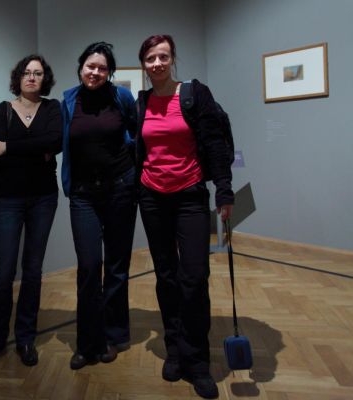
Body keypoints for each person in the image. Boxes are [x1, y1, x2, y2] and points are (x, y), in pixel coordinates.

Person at [135, 34, 234, 399]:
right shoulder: (141, 102)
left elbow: (214, 142)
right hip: (152, 197)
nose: (157, 63)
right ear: (144, 64)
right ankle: (174, 350)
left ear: (172, 58)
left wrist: (223, 189)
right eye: (150, 58)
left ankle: (197, 361)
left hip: (190, 196)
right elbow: (136, 149)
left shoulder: (194, 94)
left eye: (163, 56)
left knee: (193, 277)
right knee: (166, 276)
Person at [0, 54, 62, 367]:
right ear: (19, 77)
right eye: (27, 72)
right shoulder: (4, 110)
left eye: (38, 73)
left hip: (43, 199)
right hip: (8, 200)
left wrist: (10, 147)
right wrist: (38, 150)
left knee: (33, 270)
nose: (32, 77)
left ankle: (25, 337)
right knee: (4, 272)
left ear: (44, 78)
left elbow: (56, 141)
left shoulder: (52, 108)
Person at [61, 42, 137, 370]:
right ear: (81, 67)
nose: (95, 72)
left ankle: (113, 335)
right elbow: (57, 138)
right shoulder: (68, 100)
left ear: (110, 72)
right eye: (90, 66)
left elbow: (138, 132)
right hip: (83, 195)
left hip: (121, 189)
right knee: (89, 266)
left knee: (117, 266)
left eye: (102, 68)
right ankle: (87, 342)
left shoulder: (122, 98)